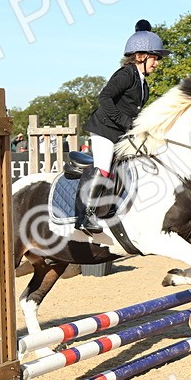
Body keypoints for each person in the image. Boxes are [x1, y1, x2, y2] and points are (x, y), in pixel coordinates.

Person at [77, 19, 168, 233]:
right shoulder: (126, 74)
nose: (156, 63)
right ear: (140, 56)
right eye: (154, 58)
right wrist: (125, 122)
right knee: (104, 166)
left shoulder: (143, 83)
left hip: (120, 133)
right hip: (104, 130)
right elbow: (104, 97)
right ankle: (86, 215)